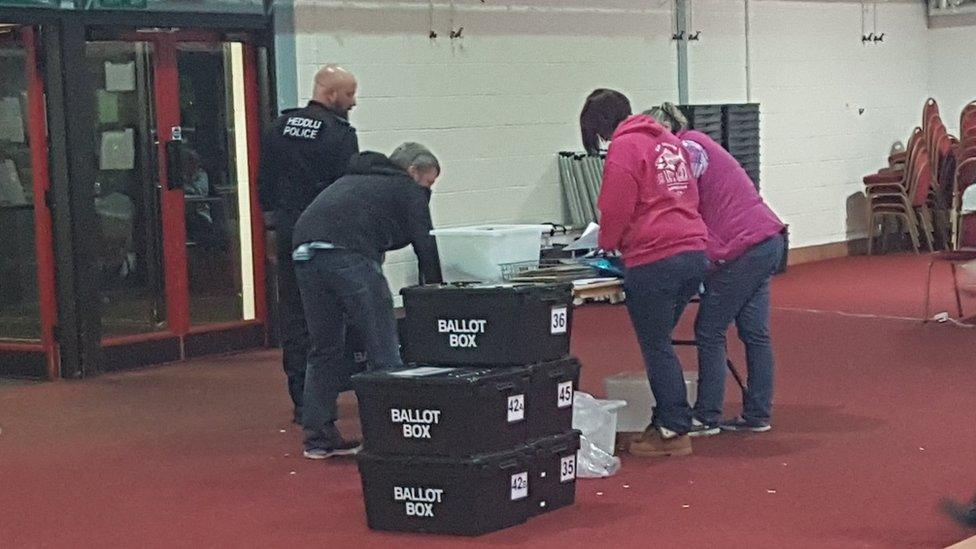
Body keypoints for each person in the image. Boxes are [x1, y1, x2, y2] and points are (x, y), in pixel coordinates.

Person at [291, 143, 443, 459]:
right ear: (414, 171)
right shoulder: (405, 187)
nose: (427, 193)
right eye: (428, 184)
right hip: (349, 253)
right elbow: (423, 241)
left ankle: (317, 437)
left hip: (304, 249)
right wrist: (437, 289)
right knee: (382, 343)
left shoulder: (355, 179)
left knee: (325, 346)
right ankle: (391, 433)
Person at [580, 89, 708, 457]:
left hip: (655, 257)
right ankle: (668, 418)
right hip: (693, 249)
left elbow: (615, 205)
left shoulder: (625, 146)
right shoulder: (667, 140)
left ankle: (672, 427)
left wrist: (605, 243)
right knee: (661, 340)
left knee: (656, 346)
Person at [646, 102, 785, 434]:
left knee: (709, 330)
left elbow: (677, 201)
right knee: (754, 332)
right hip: (765, 239)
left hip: (743, 250)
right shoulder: (697, 143)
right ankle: (757, 414)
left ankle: (707, 415)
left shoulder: (687, 149)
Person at [258, 64, 359, 423]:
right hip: (325, 230)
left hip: (287, 227)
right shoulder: (340, 134)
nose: (354, 102)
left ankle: (300, 396)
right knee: (329, 314)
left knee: (293, 314)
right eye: (349, 94)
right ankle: (324, 394)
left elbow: (264, 182)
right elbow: (346, 188)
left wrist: (271, 226)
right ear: (332, 95)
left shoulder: (278, 126)